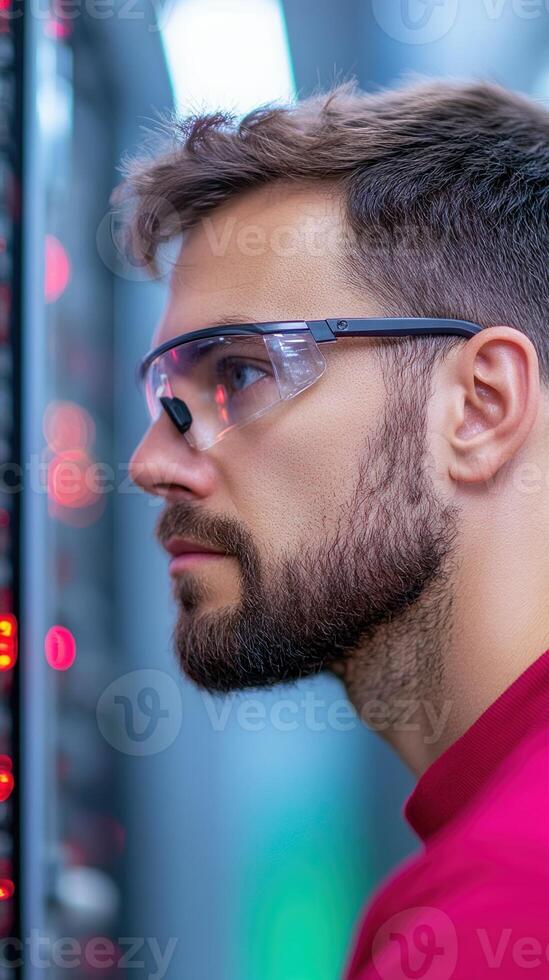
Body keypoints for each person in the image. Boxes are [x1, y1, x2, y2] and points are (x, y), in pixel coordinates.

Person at [115, 77, 549, 977]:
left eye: (237, 373)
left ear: (478, 407)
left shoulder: (490, 914)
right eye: (167, 396)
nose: (150, 462)